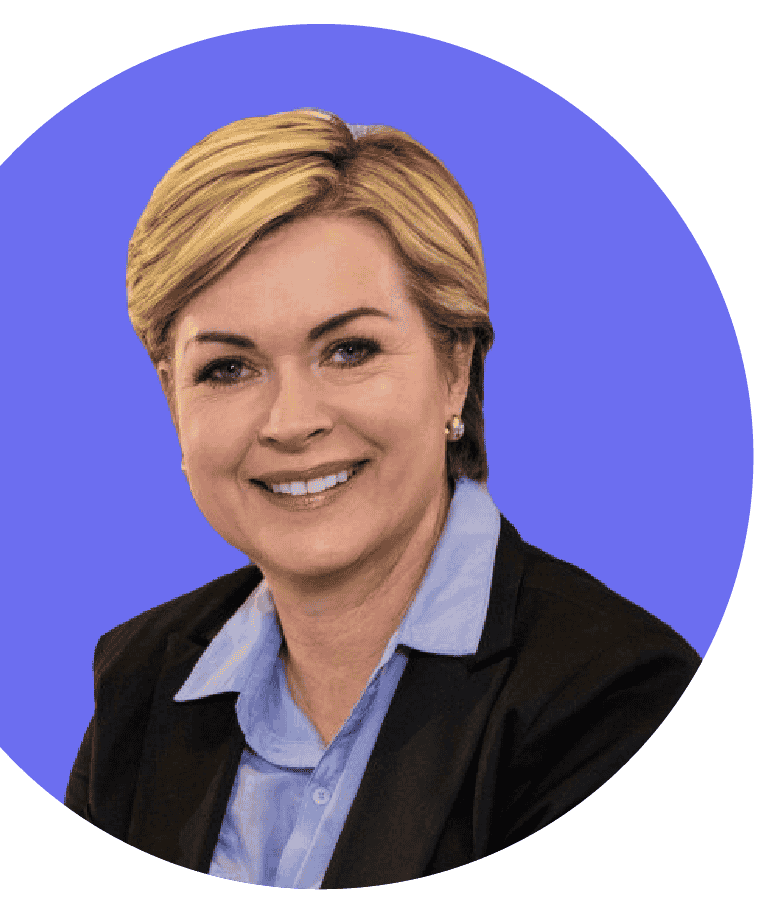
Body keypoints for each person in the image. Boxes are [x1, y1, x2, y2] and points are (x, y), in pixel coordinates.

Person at [65, 109, 700, 889]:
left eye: (348, 350)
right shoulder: (137, 678)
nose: (290, 421)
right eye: (228, 368)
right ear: (172, 398)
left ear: (454, 369)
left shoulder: (617, 695)